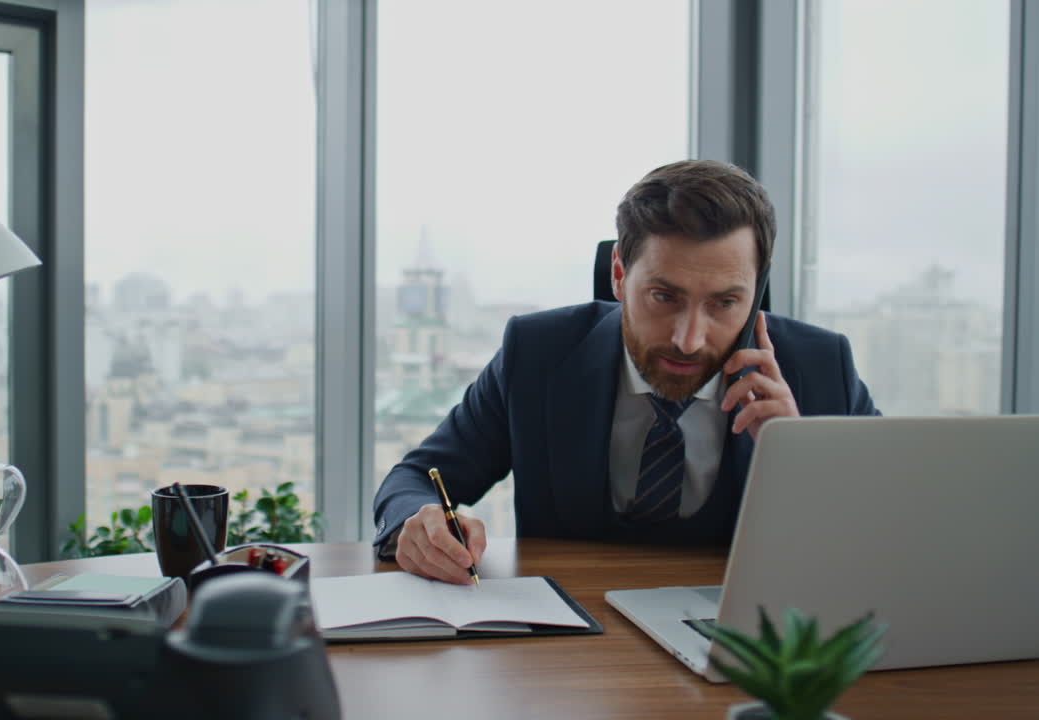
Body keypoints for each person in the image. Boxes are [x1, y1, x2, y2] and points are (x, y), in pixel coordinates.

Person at [372, 160, 879, 584]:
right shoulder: (539, 354)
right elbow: (413, 479)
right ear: (618, 273)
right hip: (574, 657)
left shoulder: (819, 369)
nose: (689, 338)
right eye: (665, 296)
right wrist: (418, 528)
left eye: (725, 303)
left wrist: (804, 462)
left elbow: (893, 531)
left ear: (755, 293)